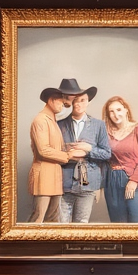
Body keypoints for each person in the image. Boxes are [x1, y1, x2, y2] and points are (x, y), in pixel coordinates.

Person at [54, 78, 111, 224]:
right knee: (61, 226)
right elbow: (52, 152)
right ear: (70, 102)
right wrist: (68, 153)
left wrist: (88, 150)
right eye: (75, 100)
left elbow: (106, 153)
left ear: (88, 102)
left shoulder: (99, 125)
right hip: (63, 184)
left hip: (88, 184)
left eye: (82, 100)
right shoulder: (59, 125)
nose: (78, 104)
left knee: (82, 225)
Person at [102, 94, 138, 223]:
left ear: (125, 110)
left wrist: (134, 181)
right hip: (112, 184)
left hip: (136, 184)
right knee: (118, 230)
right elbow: (102, 158)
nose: (115, 114)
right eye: (111, 112)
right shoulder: (106, 133)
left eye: (118, 110)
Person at [27, 86, 70, 223]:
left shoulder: (52, 121)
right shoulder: (41, 120)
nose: (63, 107)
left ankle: (47, 245)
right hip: (44, 175)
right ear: (51, 100)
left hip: (55, 176)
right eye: (61, 103)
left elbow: (55, 147)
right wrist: (68, 155)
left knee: (52, 220)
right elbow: (43, 150)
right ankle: (28, 244)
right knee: (38, 218)